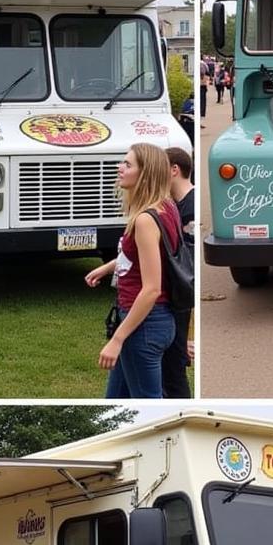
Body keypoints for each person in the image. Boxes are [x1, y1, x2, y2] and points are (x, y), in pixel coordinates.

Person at [85, 143, 180, 398]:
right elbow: (152, 258)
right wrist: (108, 267)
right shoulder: (166, 207)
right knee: (114, 399)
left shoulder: (145, 219)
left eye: (128, 164)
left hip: (144, 325)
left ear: (145, 173)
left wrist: (117, 339)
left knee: (150, 402)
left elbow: (151, 289)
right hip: (152, 322)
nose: (120, 168)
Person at [161, 146, 195, 399]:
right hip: (174, 298)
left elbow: (189, 266)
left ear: (174, 170)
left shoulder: (191, 207)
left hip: (182, 301)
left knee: (174, 374)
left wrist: (191, 336)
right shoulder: (174, 205)